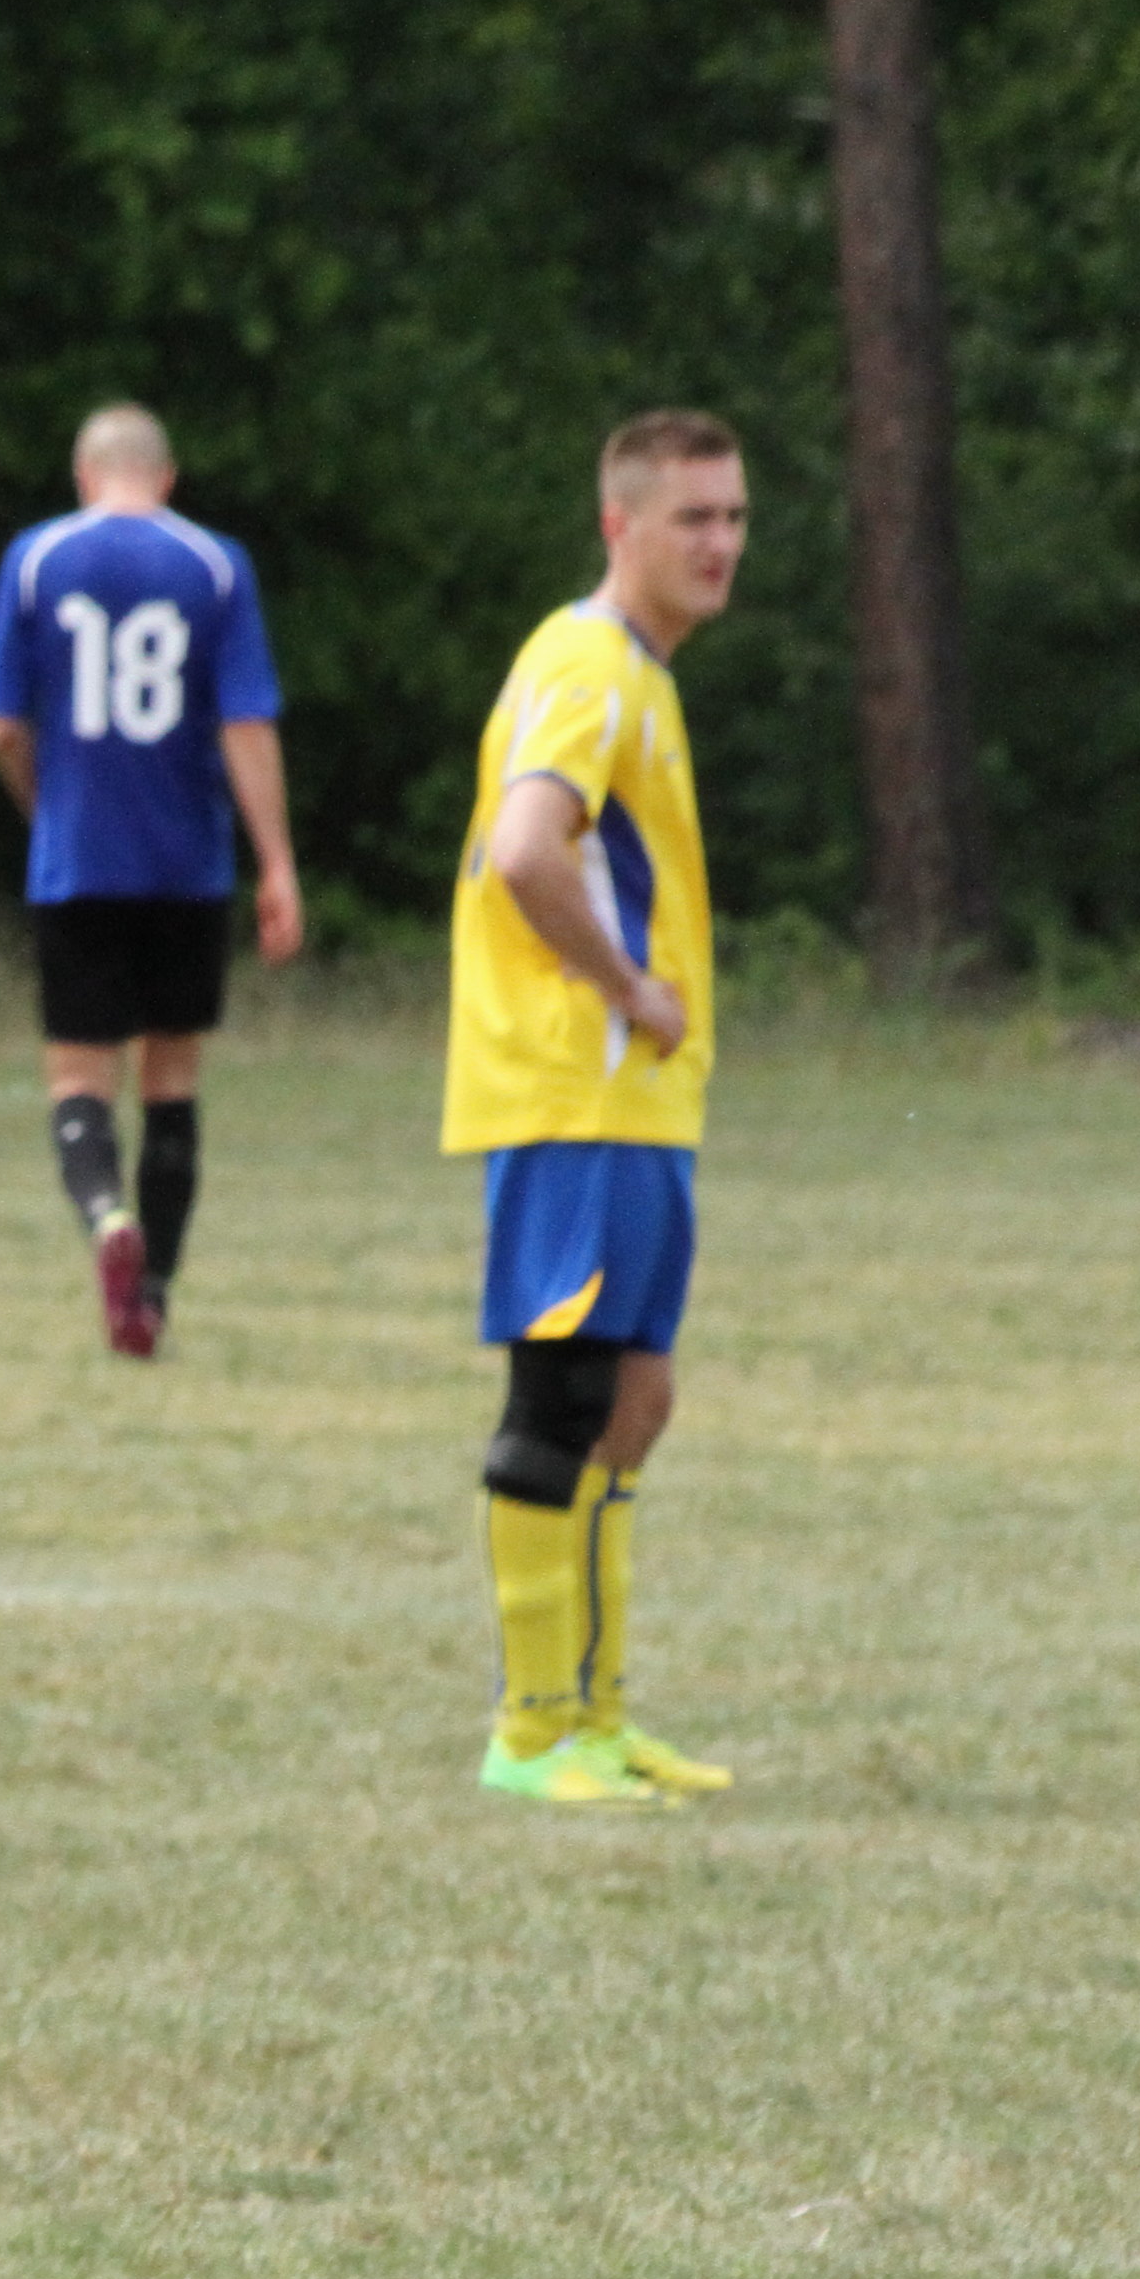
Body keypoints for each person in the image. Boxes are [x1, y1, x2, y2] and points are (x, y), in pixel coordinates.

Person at [450, 412, 747, 1810]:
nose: (720, 543)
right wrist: (626, 987)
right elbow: (526, 849)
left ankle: (600, 1717)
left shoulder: (642, 675)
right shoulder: (585, 665)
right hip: (575, 1091)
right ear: (619, 524)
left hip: (636, 1106)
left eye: (734, 518)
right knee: (562, 1398)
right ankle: (529, 1736)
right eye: (693, 518)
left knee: (636, 1400)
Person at [0, 404, 303, 1356]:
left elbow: (4, 726)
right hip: (186, 866)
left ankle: (106, 1216)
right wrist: (277, 862)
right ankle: (151, 1293)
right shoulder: (215, 565)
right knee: (172, 1081)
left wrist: (44, 809)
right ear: (167, 478)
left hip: (77, 862)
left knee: (79, 1078)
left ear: (85, 476)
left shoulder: (36, 559)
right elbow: (246, 724)